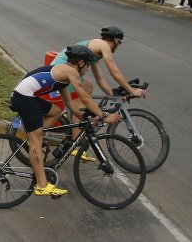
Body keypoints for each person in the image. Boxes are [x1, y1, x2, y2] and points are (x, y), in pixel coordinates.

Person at [11, 44, 123, 198]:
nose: (88, 69)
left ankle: (35, 135)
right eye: (88, 64)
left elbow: (70, 104)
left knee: (56, 111)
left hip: (26, 95)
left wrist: (89, 117)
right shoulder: (71, 72)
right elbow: (84, 97)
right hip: (24, 97)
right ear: (81, 63)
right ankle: (42, 186)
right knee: (36, 139)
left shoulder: (64, 74)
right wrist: (104, 116)